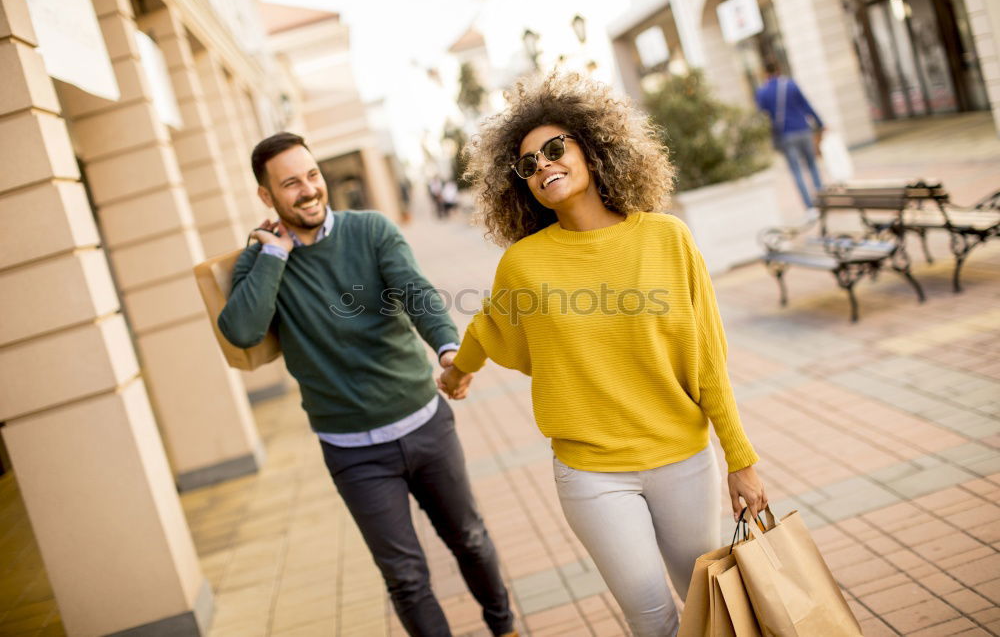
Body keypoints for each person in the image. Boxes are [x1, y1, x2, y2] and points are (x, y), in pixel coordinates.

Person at [438, 74, 766, 637]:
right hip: (591, 474)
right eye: (528, 163)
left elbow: (708, 360)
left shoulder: (668, 239)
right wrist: (457, 370)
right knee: (653, 618)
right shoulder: (524, 264)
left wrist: (741, 458)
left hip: (683, 459)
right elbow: (492, 327)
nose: (543, 164)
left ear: (592, 149)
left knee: (709, 607)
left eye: (555, 148)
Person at [218, 132, 516, 637]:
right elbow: (241, 331)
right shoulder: (260, 262)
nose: (309, 190)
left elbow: (415, 292)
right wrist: (273, 256)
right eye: (290, 184)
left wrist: (448, 351)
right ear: (266, 197)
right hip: (353, 453)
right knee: (405, 578)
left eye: (312, 176)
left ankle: (504, 627)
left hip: (426, 426)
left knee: (469, 538)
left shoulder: (371, 230)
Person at [755, 60, 824, 213]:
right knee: (812, 166)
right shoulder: (791, 85)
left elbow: (762, 115)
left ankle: (810, 208)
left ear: (765, 73)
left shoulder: (763, 92)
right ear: (778, 70)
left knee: (796, 171)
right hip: (803, 129)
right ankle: (822, 199)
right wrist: (820, 123)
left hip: (786, 135)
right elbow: (806, 105)